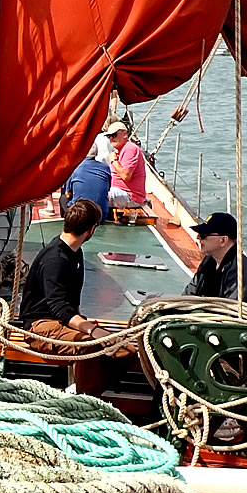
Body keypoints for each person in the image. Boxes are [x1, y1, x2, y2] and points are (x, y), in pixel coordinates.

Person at [16, 198, 128, 396]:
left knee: (126, 352)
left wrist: (87, 326)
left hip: (63, 322)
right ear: (91, 230)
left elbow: (70, 304)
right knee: (90, 347)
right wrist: (92, 330)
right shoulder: (55, 260)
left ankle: (82, 388)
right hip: (40, 325)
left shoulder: (74, 252)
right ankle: (84, 399)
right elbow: (58, 307)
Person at [183, 211, 247, 321]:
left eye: (203, 235)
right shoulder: (209, 262)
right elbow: (189, 295)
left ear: (223, 240)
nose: (198, 238)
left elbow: (232, 314)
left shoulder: (241, 271)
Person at [105, 119, 147, 209]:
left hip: (130, 196)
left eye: (114, 135)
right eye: (109, 136)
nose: (111, 138)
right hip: (119, 192)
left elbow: (126, 176)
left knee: (98, 196)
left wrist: (114, 161)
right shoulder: (120, 151)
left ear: (124, 134)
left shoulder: (130, 148)